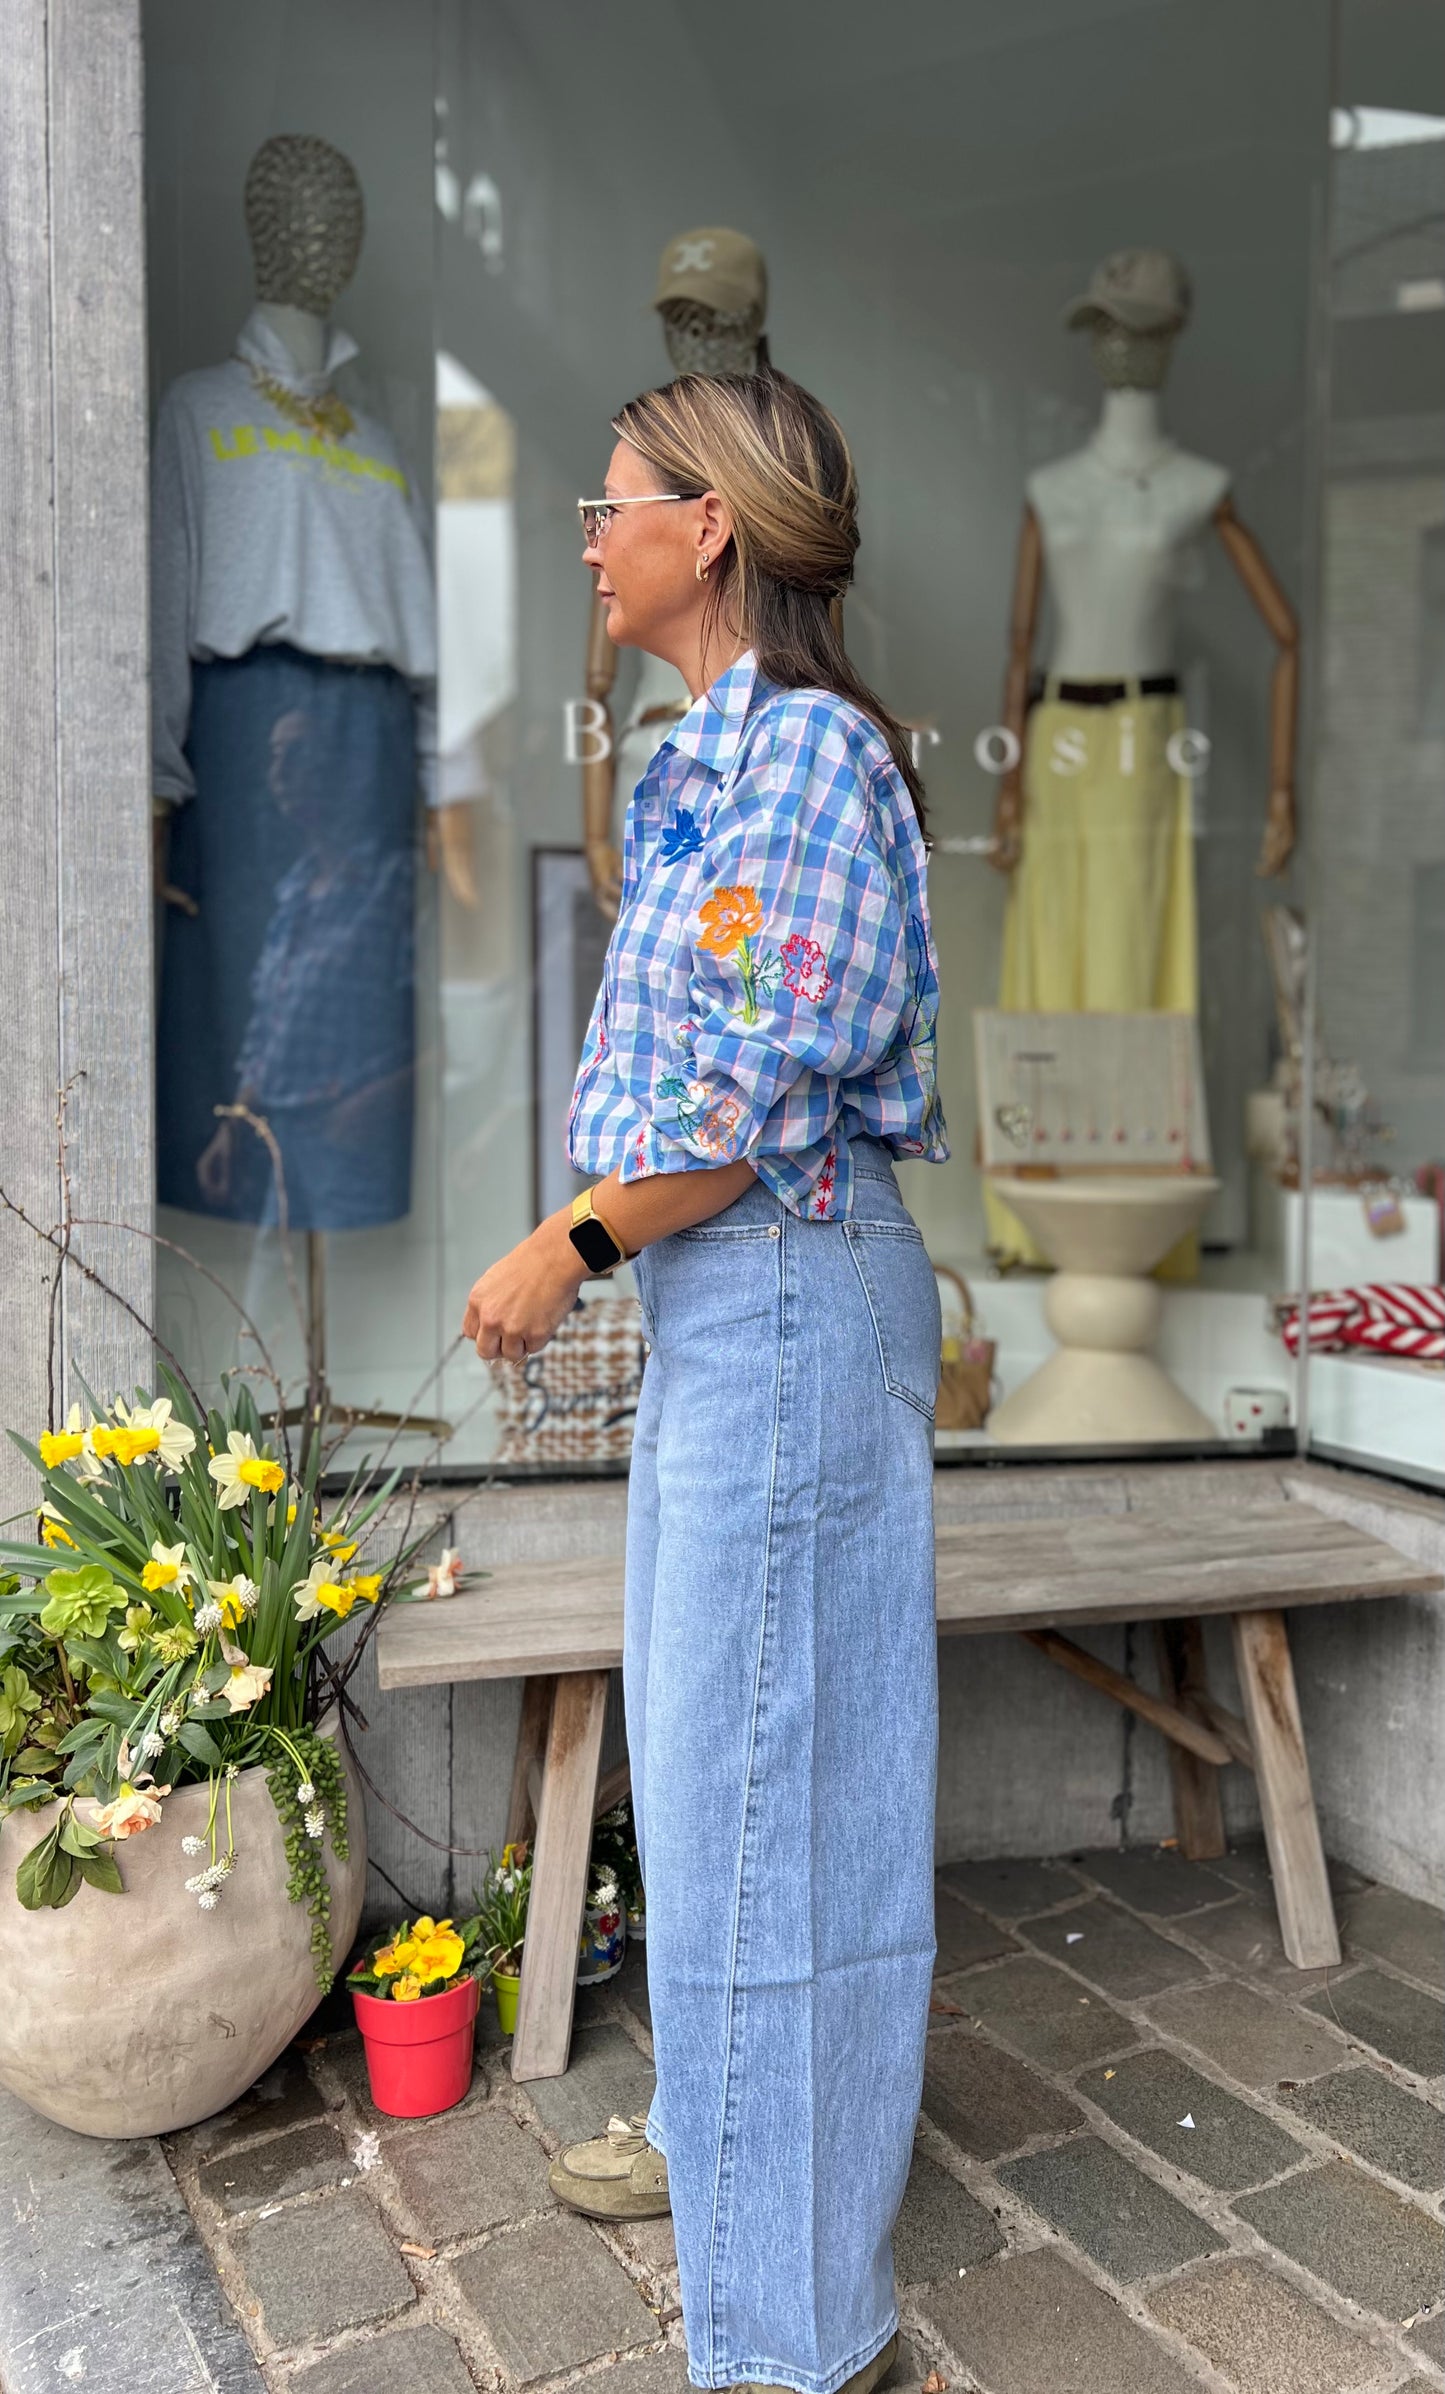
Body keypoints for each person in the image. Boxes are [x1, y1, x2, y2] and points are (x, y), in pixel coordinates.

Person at [462, 368, 948, 2394]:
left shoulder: (808, 767)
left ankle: (793, 2348)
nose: (589, 534)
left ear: (714, 528)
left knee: (772, 1813)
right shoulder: (708, 762)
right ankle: (733, 2158)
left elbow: (763, 1099)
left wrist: (569, 1240)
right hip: (733, 1301)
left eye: (614, 501)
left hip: (779, 1283)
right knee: (749, 1787)